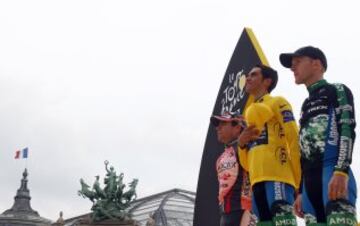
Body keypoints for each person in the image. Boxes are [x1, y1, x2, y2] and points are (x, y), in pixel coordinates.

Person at [280, 46, 357, 226]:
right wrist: (300, 191)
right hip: (309, 185)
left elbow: (347, 128)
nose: (293, 68)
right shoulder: (306, 103)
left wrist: (341, 171)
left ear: (316, 64)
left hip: (333, 174)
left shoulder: (336, 89)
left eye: (297, 62)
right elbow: (302, 148)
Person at [238, 64, 301, 226]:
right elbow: (247, 163)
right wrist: (242, 144)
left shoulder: (278, 102)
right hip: (256, 182)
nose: (248, 78)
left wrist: (299, 180)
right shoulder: (249, 113)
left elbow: (294, 138)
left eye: (253, 75)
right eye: (248, 75)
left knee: (284, 223)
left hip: (278, 177)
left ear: (267, 81)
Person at [210, 112, 256, 226]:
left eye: (223, 123)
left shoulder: (248, 147)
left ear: (237, 127)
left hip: (245, 212)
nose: (218, 127)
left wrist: (250, 212)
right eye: (217, 124)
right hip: (225, 215)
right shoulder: (221, 157)